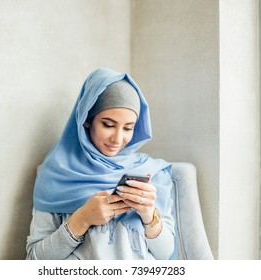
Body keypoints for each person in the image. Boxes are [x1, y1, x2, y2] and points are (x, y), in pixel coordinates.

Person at [26, 67, 176, 260]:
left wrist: (148, 214)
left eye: (128, 128)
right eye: (108, 125)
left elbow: (165, 254)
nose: (118, 138)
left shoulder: (154, 173)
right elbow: (34, 261)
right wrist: (82, 219)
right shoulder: (56, 174)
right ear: (87, 119)